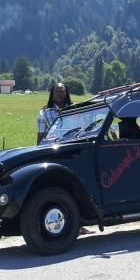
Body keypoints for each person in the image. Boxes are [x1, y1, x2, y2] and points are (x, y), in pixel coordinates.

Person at [36, 83, 94, 235]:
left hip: (73, 151)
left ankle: (81, 224)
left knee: (78, 186)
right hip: (53, 152)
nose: (60, 94)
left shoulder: (76, 109)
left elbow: (83, 130)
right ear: (52, 94)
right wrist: (39, 152)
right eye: (57, 91)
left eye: (62, 91)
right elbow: (41, 135)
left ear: (66, 93)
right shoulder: (44, 113)